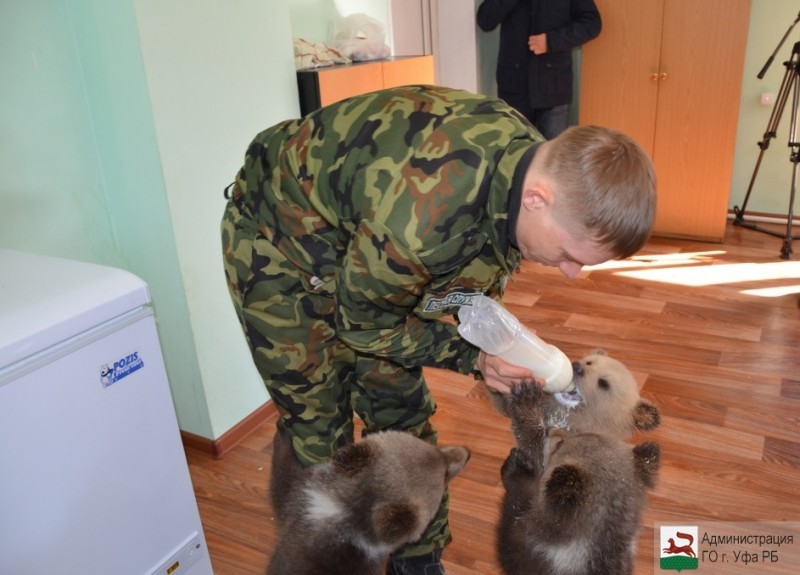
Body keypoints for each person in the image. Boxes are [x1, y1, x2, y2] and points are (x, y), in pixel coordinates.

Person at [220, 84, 655, 575]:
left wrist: (497, 338)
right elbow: (362, 324)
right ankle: (325, 560)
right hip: (279, 250)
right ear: (537, 199)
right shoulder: (424, 224)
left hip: (370, 256)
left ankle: (418, 564)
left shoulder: (531, 165)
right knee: (321, 434)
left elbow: (467, 275)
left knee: (402, 420)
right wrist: (473, 359)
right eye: (571, 255)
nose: (572, 272)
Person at [477, 0, 602, 139]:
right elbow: (485, 20)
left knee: (552, 155)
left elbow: (592, 23)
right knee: (516, 155)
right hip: (514, 88)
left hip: (554, 85)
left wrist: (550, 42)